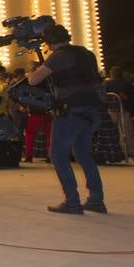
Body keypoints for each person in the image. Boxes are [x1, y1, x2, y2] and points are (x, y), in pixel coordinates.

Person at [28, 23, 106, 214]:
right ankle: (96, 200)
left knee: (58, 155)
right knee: (84, 154)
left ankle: (72, 202)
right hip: (92, 107)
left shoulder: (59, 56)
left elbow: (33, 80)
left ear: (49, 42)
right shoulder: (87, 53)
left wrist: (34, 67)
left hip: (71, 109)